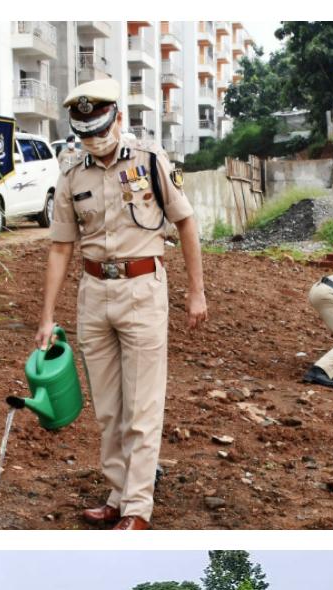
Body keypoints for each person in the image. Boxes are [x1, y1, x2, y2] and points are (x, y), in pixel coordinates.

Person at [34, 78, 208, 530]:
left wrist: (196, 291)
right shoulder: (72, 174)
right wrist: (47, 316)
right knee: (108, 408)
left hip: (142, 289)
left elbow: (185, 223)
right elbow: (59, 248)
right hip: (93, 294)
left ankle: (137, 509)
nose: (94, 137)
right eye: (85, 131)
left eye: (99, 127)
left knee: (143, 408)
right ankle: (116, 493)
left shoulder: (151, 162)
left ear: (118, 119)